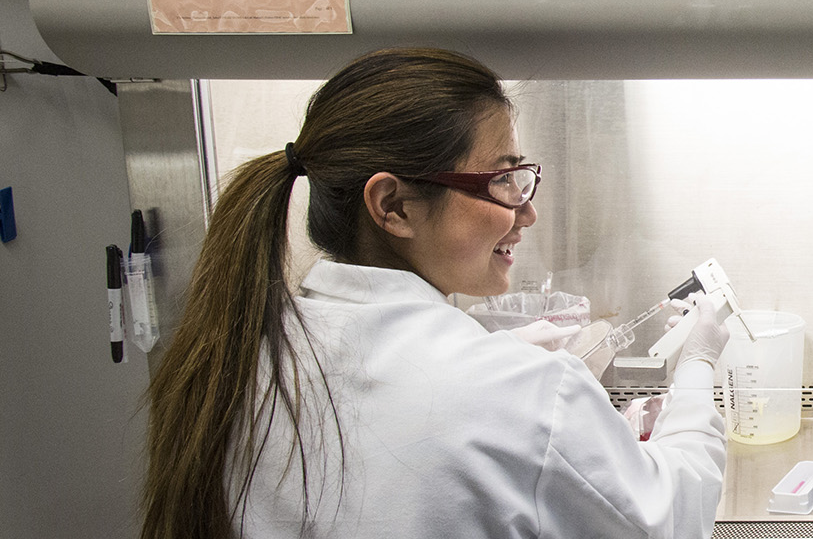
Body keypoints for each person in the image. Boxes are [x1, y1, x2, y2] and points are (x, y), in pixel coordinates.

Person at [140, 48, 732, 539]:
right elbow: (670, 518)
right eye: (502, 181)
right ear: (393, 206)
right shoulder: (519, 393)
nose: (525, 212)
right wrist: (699, 369)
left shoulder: (241, 358)